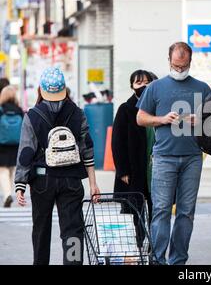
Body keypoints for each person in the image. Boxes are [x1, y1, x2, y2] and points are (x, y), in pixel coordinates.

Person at [14, 67, 101, 265]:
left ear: (41, 90)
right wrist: (93, 184)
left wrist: (20, 183)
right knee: (73, 231)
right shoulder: (78, 113)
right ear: (64, 89)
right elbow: (87, 149)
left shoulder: (33, 115)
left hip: (42, 180)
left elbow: (26, 152)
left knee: (41, 230)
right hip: (71, 179)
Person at [136, 42, 211, 265]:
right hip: (163, 157)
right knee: (160, 210)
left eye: (184, 66)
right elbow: (140, 118)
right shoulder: (156, 88)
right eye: (176, 66)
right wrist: (161, 119)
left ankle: (178, 260)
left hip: (192, 157)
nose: (180, 70)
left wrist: (202, 120)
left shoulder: (202, 88)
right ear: (169, 60)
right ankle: (157, 259)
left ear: (190, 62)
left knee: (186, 212)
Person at [112, 70, 158, 244]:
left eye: (146, 82)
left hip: (154, 168)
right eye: (138, 83)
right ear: (132, 86)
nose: (143, 86)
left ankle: (154, 247)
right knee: (137, 210)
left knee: (157, 210)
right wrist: (122, 170)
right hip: (134, 168)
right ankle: (140, 242)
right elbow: (117, 142)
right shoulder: (126, 109)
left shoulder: (156, 106)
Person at [0, 86, 23, 207]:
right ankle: (10, 193)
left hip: (2, 144)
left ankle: (7, 194)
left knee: (2, 170)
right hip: (16, 144)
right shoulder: (19, 110)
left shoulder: (1, 110)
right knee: (11, 169)